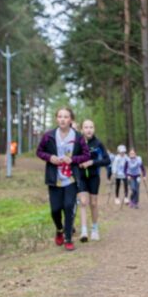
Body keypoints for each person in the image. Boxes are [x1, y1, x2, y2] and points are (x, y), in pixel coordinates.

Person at [36, 107, 91, 252]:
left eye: (66, 117)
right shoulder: (49, 136)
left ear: (70, 119)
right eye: (60, 116)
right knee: (55, 209)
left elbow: (86, 156)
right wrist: (50, 158)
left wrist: (72, 159)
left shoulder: (78, 137)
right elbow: (39, 152)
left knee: (68, 207)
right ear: (56, 119)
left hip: (71, 178)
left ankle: (68, 238)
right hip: (54, 178)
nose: (62, 119)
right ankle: (59, 229)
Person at [76, 119, 111, 242]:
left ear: (94, 129)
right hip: (80, 176)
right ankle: (84, 231)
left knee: (94, 203)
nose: (89, 129)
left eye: (91, 127)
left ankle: (95, 228)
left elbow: (107, 161)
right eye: (86, 127)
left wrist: (92, 162)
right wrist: (78, 163)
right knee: (83, 202)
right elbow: (72, 157)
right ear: (82, 129)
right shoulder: (77, 143)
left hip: (94, 176)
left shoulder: (98, 143)